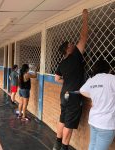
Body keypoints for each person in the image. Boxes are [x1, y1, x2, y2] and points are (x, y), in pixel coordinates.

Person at [53, 9, 88, 150]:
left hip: (64, 94)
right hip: (73, 95)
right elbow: (84, 37)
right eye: (71, 44)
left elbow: (56, 79)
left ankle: (57, 144)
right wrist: (85, 17)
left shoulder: (61, 63)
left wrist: (66, 82)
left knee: (62, 118)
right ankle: (64, 148)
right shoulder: (75, 57)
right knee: (69, 124)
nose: (74, 44)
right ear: (68, 48)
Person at [80, 59, 115, 150]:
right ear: (108, 69)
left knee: (92, 145)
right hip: (106, 124)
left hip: (93, 120)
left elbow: (82, 90)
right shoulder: (112, 78)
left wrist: (93, 95)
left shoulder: (92, 79)